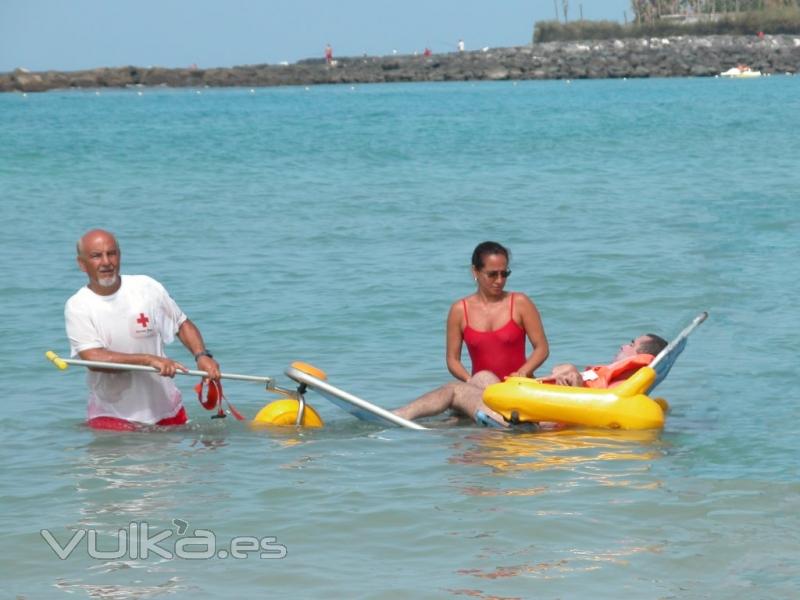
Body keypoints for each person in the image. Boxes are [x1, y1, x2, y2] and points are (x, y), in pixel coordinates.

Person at [65, 229, 221, 430]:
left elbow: (181, 323)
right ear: (82, 264)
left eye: (111, 253)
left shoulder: (146, 287)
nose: (106, 262)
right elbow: (93, 358)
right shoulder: (78, 305)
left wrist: (202, 355)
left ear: (119, 256)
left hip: (168, 411)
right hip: (113, 417)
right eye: (96, 256)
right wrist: (148, 359)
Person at [394, 333, 668, 426]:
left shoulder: (622, 388)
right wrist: (569, 371)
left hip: (529, 421)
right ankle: (457, 424)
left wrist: (575, 382)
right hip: (531, 409)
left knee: (455, 389)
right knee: (483, 376)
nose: (623, 345)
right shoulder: (617, 378)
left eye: (631, 343)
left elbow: (591, 407)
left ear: (641, 356)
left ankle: (399, 415)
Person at [446, 241, 549, 382]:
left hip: (519, 386)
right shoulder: (459, 310)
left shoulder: (520, 303)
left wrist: (522, 373)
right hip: (483, 391)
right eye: (492, 274)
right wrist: (470, 381)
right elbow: (452, 359)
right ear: (475, 271)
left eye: (504, 273)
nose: (499, 280)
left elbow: (542, 348)